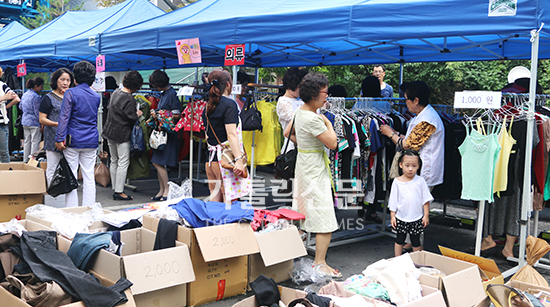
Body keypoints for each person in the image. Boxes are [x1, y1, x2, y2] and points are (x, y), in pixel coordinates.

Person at [284, 72, 340, 278]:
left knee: (304, 210)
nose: (327, 96)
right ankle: (320, 262)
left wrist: (306, 144)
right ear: (316, 93)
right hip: (314, 167)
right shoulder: (314, 118)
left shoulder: (300, 111)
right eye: (326, 92)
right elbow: (333, 143)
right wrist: (329, 124)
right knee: (323, 215)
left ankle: (295, 256)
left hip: (304, 163)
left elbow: (286, 133)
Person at [380, 81, 444, 251]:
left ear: (416, 100)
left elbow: (409, 145)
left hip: (423, 170)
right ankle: (411, 240)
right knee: (410, 204)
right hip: (416, 168)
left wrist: (390, 133)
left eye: (406, 99)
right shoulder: (421, 117)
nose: (405, 102)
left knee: (417, 207)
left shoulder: (428, 119)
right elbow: (410, 138)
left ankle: (417, 244)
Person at [202, 69, 251, 203]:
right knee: (228, 202)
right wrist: (239, 159)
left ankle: (213, 224)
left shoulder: (207, 106)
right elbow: (231, 135)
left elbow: (207, 136)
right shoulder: (230, 105)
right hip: (225, 160)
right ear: (228, 85)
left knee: (214, 199)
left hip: (210, 160)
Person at [55, 61, 100, 207]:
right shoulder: (96, 96)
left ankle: (72, 210)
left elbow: (64, 118)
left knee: (72, 175)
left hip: (73, 140)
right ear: (93, 79)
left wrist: (59, 139)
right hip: (91, 140)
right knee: (89, 176)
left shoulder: (70, 93)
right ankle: (90, 210)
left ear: (75, 79)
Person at [102, 71, 143, 201]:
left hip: (109, 130)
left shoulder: (115, 93)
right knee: (123, 162)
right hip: (122, 133)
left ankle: (115, 188)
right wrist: (138, 114)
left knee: (114, 160)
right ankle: (119, 191)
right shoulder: (129, 98)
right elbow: (131, 117)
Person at [389, 150, 433, 257]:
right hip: (401, 217)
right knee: (399, 239)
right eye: (407, 165)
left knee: (416, 240)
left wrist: (426, 215)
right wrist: (392, 216)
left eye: (414, 166)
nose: (410, 169)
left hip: (416, 218)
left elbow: (425, 200)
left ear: (418, 166)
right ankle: (397, 259)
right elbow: (393, 200)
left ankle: (417, 261)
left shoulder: (420, 181)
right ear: (400, 165)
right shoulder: (397, 182)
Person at [149, 69, 181, 201]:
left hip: (167, 134)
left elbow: (176, 115)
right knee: (158, 162)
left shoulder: (171, 94)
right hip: (164, 133)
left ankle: (166, 190)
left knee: (158, 162)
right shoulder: (166, 93)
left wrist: (158, 115)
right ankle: (162, 190)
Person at [39, 68, 73, 186]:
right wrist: (58, 124)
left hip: (70, 137)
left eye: (68, 80)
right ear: (56, 80)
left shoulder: (72, 96)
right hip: (53, 136)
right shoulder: (48, 98)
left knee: (70, 166)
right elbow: (42, 119)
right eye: (62, 79)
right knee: (52, 166)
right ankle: (50, 191)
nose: (65, 83)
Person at [276, 67, 309, 154]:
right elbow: (297, 119)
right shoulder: (283, 101)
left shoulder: (300, 100)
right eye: (299, 87)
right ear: (291, 86)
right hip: (291, 147)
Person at [19, 77, 44, 162]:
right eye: (41, 86)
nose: (42, 88)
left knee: (26, 142)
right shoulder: (36, 97)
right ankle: (32, 161)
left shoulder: (25, 94)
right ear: (36, 86)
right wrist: (42, 123)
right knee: (35, 142)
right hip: (34, 122)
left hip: (25, 121)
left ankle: (25, 160)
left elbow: (20, 106)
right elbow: (37, 111)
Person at [0, 67, 21, 163]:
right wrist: (4, 100)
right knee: (4, 152)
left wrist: (5, 106)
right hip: (2, 123)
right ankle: (6, 174)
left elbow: (16, 99)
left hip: (3, 123)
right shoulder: (3, 86)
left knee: (4, 152)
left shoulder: (3, 85)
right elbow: (16, 98)